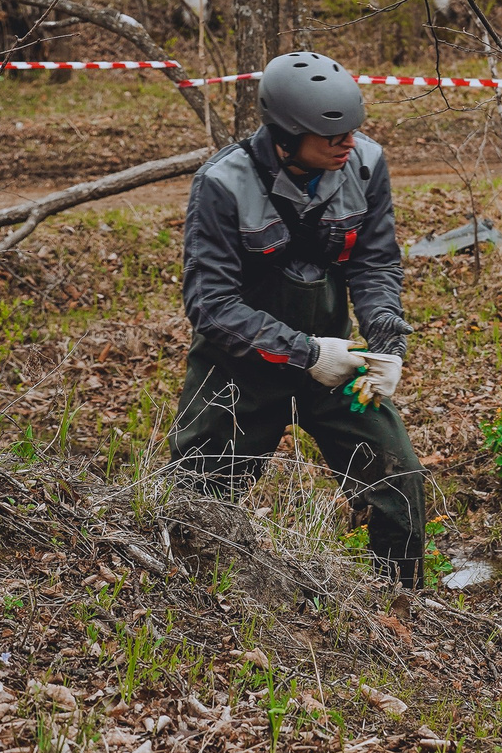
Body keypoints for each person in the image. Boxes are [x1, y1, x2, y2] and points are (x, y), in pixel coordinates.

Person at [168, 51, 426, 587]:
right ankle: (195, 606)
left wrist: (386, 338)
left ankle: (403, 606)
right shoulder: (223, 182)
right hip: (238, 368)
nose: (348, 143)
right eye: (331, 136)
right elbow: (210, 303)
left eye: (352, 130)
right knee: (198, 502)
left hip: (337, 360)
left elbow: (374, 262)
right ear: (286, 136)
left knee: (398, 479)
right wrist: (306, 353)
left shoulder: (364, 164)